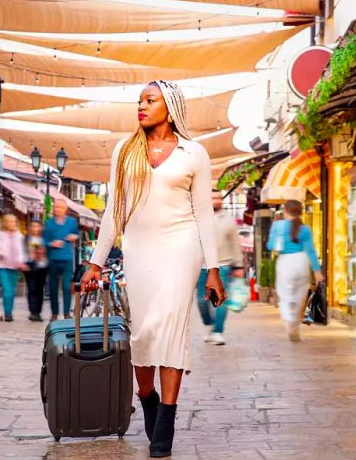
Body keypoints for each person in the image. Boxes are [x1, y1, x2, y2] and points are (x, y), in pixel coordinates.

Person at [80, 80, 224, 458]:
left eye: (150, 100)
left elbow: (203, 214)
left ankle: (167, 420)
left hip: (182, 245)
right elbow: (114, 210)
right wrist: (96, 261)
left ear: (170, 106)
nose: (141, 106)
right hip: (139, 248)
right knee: (143, 333)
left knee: (172, 326)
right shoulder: (125, 151)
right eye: (139, 101)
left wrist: (213, 268)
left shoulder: (195, 153)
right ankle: (147, 397)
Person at [266, 200, 323, 342]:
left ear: (285, 211)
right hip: (302, 261)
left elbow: (270, 245)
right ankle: (296, 321)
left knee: (285, 295)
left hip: (285, 262)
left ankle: (290, 320)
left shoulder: (278, 226)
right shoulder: (305, 228)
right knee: (300, 293)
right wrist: (317, 270)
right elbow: (310, 250)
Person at [196, 189, 244, 346]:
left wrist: (238, 266)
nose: (217, 201)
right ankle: (210, 324)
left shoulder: (228, 219)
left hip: (223, 264)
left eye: (219, 198)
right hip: (201, 266)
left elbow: (235, 244)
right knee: (202, 301)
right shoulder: (198, 218)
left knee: (221, 300)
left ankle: (218, 332)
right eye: (213, 198)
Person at [44, 199, 80, 322]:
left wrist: (73, 237)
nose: (58, 209)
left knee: (66, 287)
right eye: (56, 207)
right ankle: (54, 313)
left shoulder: (71, 222)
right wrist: (51, 243)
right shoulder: (48, 224)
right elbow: (44, 241)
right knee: (53, 288)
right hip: (53, 260)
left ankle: (66, 313)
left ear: (65, 209)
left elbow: (76, 234)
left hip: (67, 260)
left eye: (61, 207)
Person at [0, 214, 27, 322]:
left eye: (13, 221)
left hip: (14, 267)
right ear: (5, 223)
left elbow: (21, 252)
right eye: (9, 221)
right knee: (7, 289)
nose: (11, 223)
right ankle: (8, 313)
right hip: (1, 266)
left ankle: (9, 311)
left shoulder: (19, 236)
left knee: (11, 291)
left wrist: (21, 262)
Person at [24, 220, 49, 322]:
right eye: (33, 226)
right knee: (32, 289)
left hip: (42, 267)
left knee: (40, 290)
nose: (35, 228)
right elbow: (21, 251)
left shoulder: (44, 239)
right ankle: (33, 312)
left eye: (37, 226)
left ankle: (37, 312)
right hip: (30, 266)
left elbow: (49, 252)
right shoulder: (26, 239)